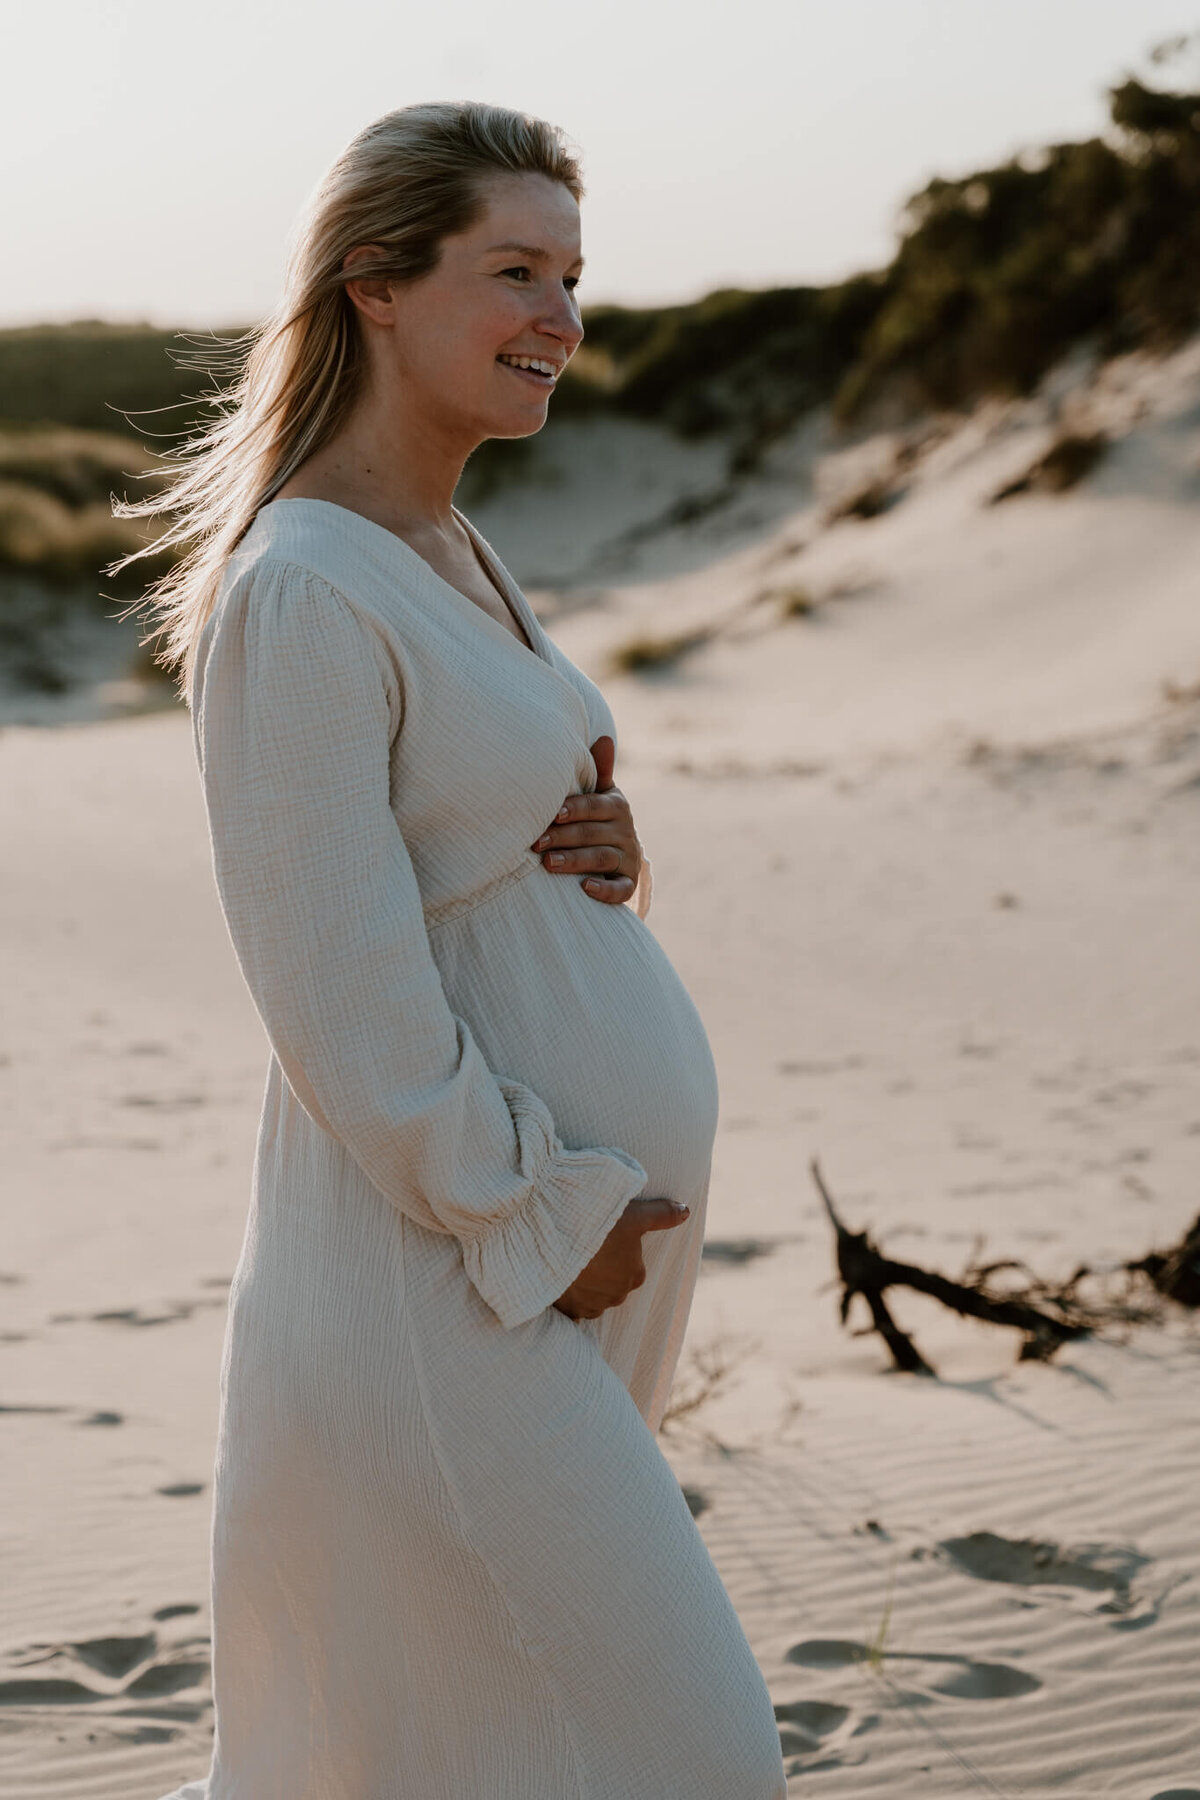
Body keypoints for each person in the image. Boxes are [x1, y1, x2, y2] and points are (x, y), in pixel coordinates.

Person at [131, 99, 786, 1799]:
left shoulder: (447, 546)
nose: (561, 319)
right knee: (688, 1753)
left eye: (573, 275)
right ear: (375, 287)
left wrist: (604, 860)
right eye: (514, 270)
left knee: (458, 1745)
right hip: (454, 1270)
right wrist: (535, 1211)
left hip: (540, 1265)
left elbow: (455, 853)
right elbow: (335, 996)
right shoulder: (302, 590)